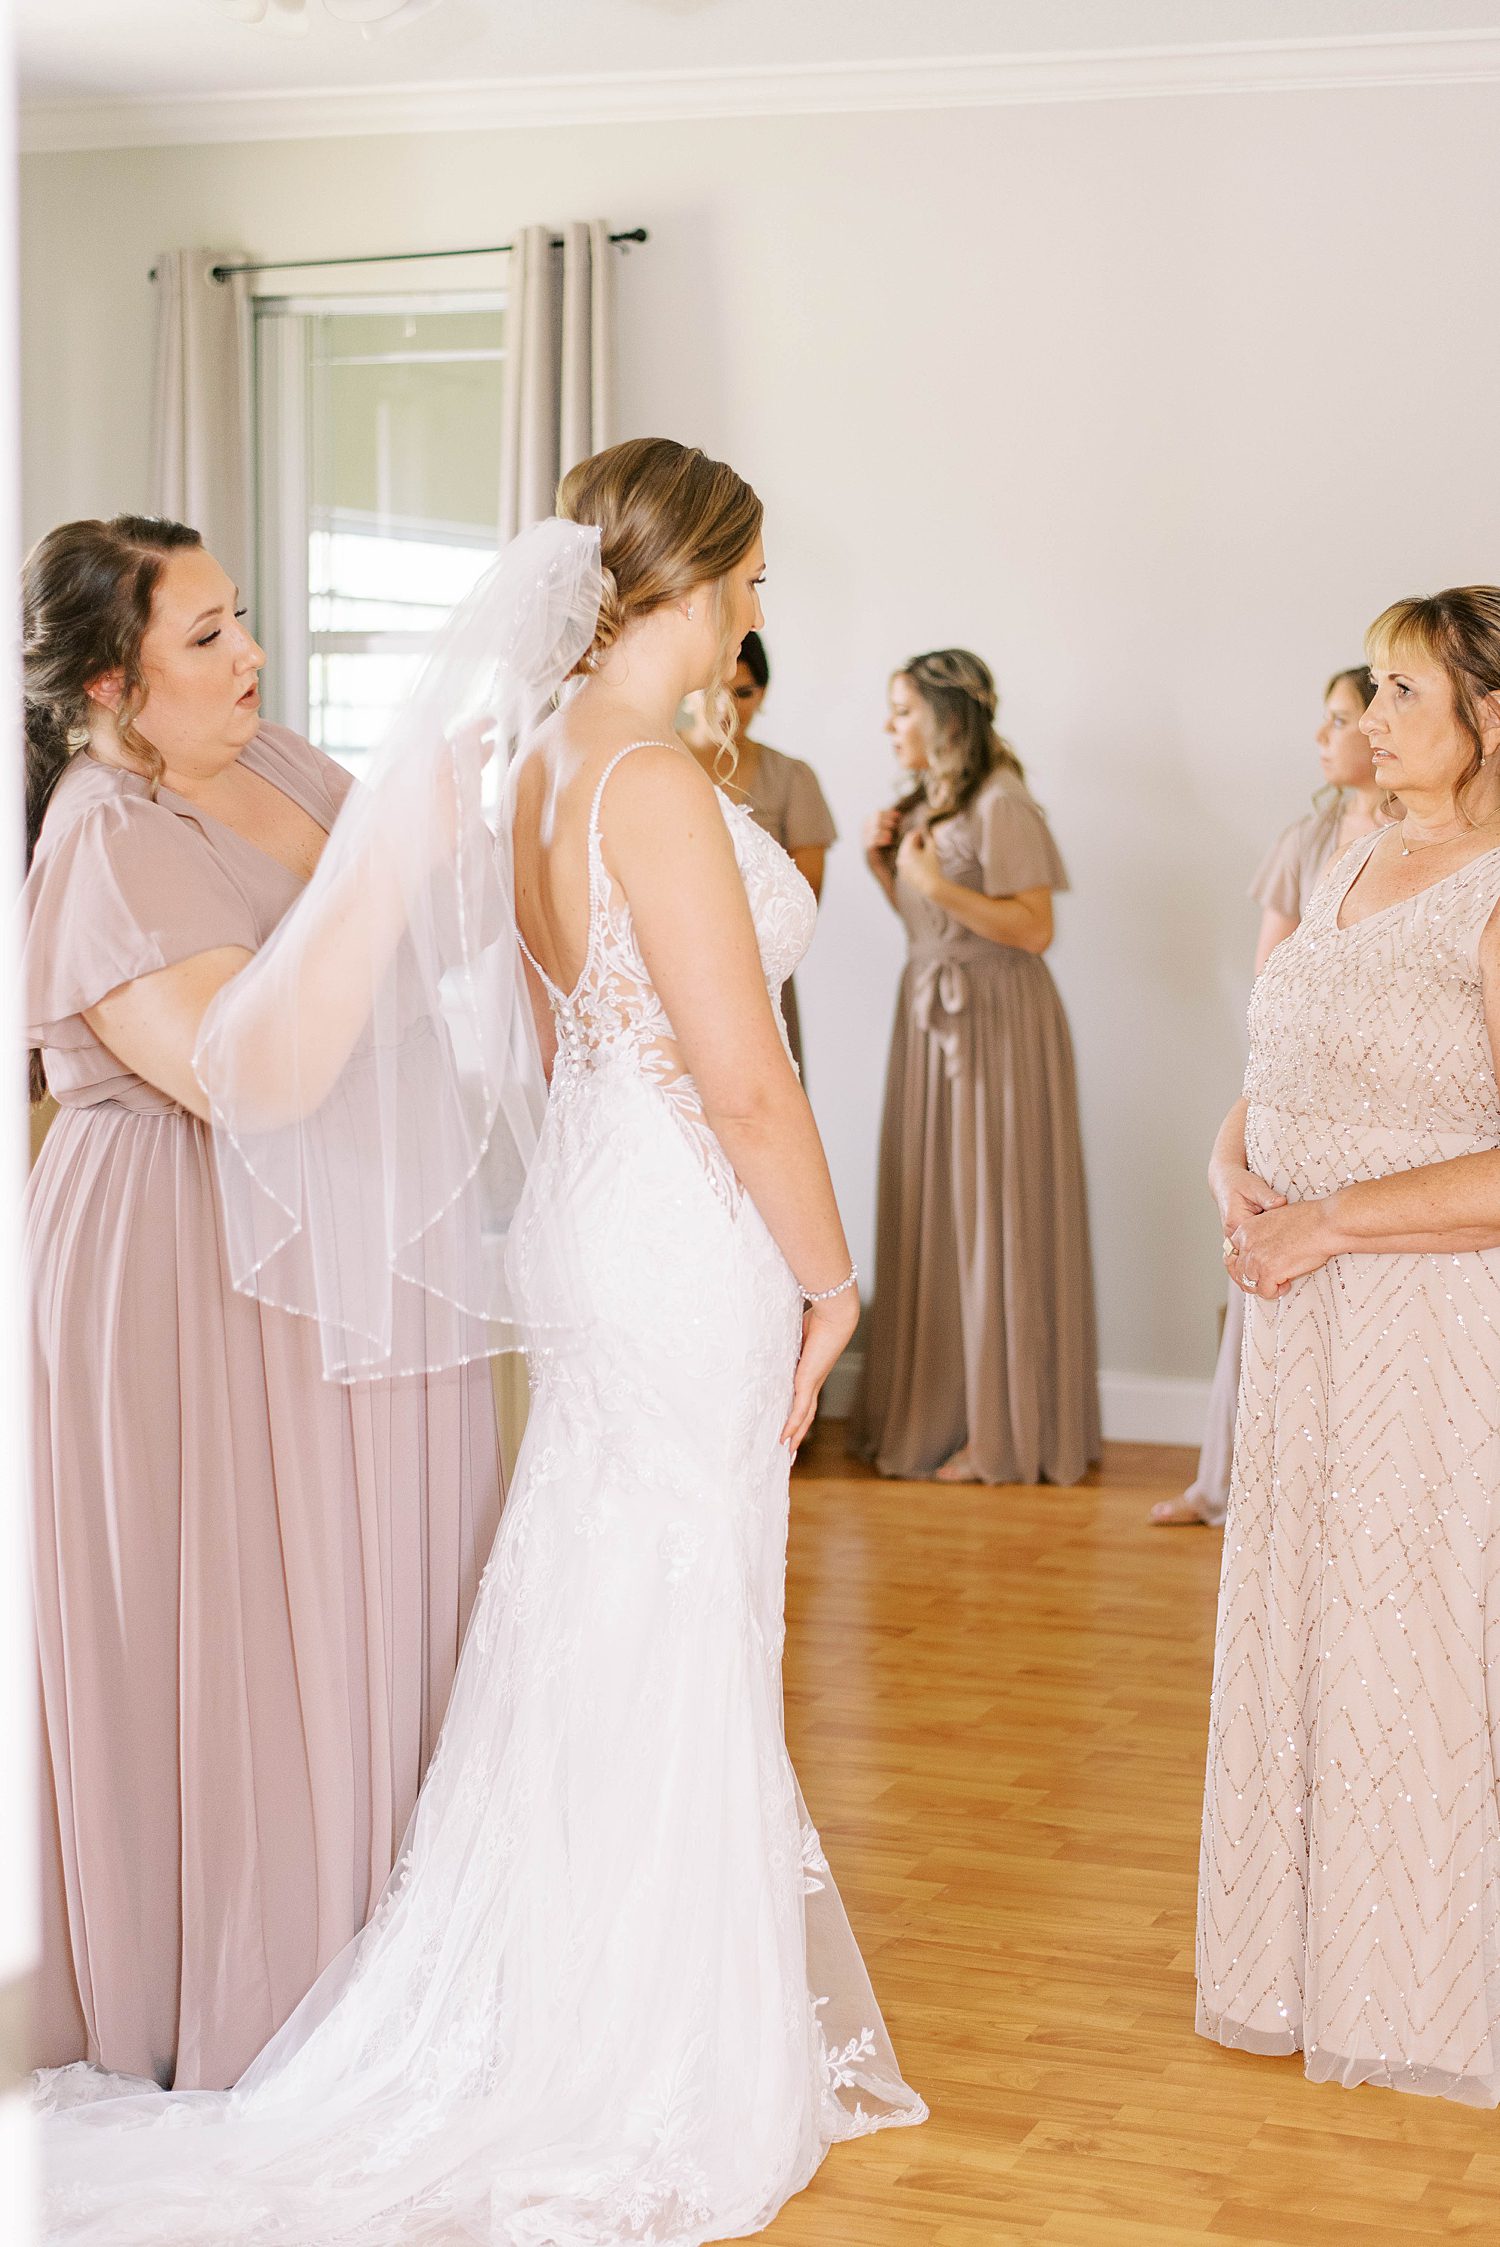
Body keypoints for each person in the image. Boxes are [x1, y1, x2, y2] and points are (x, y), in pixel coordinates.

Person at [40, 442, 925, 2241]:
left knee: (600, 1605)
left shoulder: (532, 768)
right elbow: (741, 1077)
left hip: (609, 1203)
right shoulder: (637, 778)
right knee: (666, 1610)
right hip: (662, 1217)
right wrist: (835, 1278)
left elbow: (538, 1012)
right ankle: (634, 2040)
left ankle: (601, 1998)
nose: (764, 603)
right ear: (700, 574)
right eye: (750, 574)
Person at [21, 516, 503, 2094]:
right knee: (239, 1612)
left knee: (379, 1600)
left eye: (243, 619)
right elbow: (255, 1068)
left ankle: (398, 1960)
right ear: (112, 684)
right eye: (209, 638)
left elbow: (427, 941)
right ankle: (250, 1995)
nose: (253, 659)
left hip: (327, 1241)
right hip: (179, 1257)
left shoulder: (276, 758)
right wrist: (402, 856)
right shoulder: (103, 833)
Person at [1199, 586, 1500, 2103]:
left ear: (1489, 720)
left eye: (1400, 694)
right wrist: (1233, 1157)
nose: (1367, 720)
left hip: (1430, 1324)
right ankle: (1304, 1954)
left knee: (1414, 1634)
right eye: (1371, 689)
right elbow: (1289, 1044)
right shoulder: (1354, 846)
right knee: (1312, 1625)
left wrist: (1329, 1222)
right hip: (1308, 1317)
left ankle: (1430, 1978)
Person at [848, 650, 1099, 1485]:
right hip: (931, 1019)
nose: (890, 728)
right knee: (940, 1213)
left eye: (901, 710)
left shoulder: (1003, 802)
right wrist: (887, 870)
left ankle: (1003, 1431)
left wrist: (930, 879)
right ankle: (941, 1411)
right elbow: (931, 928)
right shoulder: (931, 803)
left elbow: (1032, 929)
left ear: (946, 716)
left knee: (996, 1214)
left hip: (994, 1025)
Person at [1152, 668, 1382, 1525]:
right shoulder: (1308, 836)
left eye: (1340, 717)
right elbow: (1269, 975)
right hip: (1301, 1072)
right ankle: (1238, 1483)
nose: (1323, 737)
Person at [686, 629, 837, 1074]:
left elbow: (805, 894)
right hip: (666, 972)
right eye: (716, 690)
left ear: (764, 692)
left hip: (761, 972)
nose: (729, 706)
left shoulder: (792, 777)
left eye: (745, 692)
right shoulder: (654, 760)